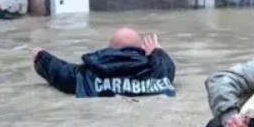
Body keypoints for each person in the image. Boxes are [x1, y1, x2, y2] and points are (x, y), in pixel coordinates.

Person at [32, 28, 177, 98]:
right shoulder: (157, 70)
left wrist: (41, 57)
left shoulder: (89, 73)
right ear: (142, 51)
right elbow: (169, 68)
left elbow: (62, 74)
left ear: (109, 51)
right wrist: (157, 52)